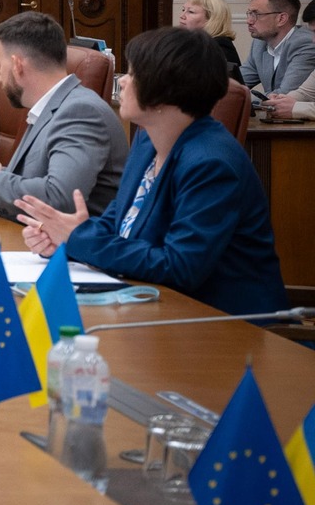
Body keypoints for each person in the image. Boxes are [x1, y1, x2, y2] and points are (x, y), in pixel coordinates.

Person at [20, 26, 287, 317]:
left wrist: (80, 239)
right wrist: (64, 239)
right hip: (156, 307)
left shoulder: (211, 163)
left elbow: (180, 267)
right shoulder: (148, 139)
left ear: (165, 89)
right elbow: (118, 222)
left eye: (132, 74)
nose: (123, 82)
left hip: (228, 324)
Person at [0, 11, 126, 221]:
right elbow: (27, 179)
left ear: (17, 65)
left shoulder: (81, 112)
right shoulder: (53, 106)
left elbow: (58, 196)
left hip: (60, 241)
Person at [239, 0, 313, 101]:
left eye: (256, 14)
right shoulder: (259, 44)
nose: (249, 21)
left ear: (281, 19)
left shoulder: (306, 44)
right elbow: (237, 83)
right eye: (249, 13)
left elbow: (284, 96)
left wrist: (238, 98)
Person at [176, 0, 241, 74]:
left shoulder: (220, 46)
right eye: (183, 10)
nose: (182, 16)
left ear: (211, 19)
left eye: (191, 12)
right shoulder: (191, 43)